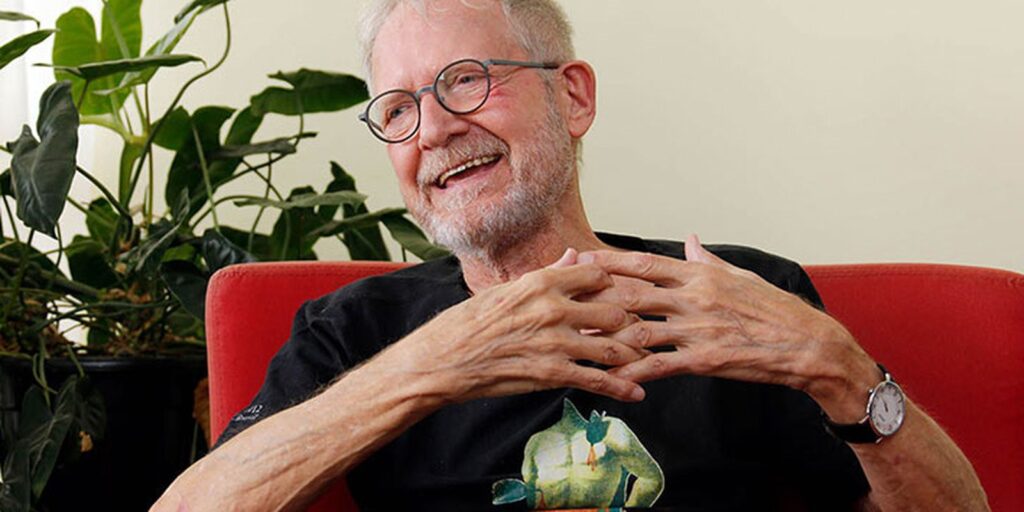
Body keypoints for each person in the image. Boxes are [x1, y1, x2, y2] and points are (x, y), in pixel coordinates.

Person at [153, 0, 988, 510]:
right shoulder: (353, 331)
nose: (433, 129)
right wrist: (431, 366)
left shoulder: (740, 297)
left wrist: (839, 368)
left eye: (465, 80)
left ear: (574, 96)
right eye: (398, 109)